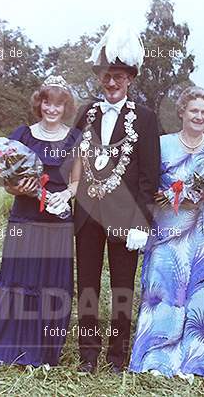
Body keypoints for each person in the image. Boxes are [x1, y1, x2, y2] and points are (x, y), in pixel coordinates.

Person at [72, 23, 161, 374]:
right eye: (107, 76)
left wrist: (142, 221)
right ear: (99, 77)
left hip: (126, 219)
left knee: (122, 288)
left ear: (130, 79)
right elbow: (72, 158)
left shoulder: (146, 118)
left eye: (119, 77)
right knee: (88, 285)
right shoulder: (87, 113)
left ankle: (117, 355)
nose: (112, 83)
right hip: (88, 215)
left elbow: (149, 175)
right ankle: (88, 354)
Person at [129, 86, 204, 381]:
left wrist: (201, 197)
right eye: (194, 111)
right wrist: (168, 196)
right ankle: (156, 359)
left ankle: (193, 363)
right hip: (168, 232)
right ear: (182, 112)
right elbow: (146, 184)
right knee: (163, 292)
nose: (199, 116)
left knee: (201, 295)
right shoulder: (161, 144)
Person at [0, 75, 80, 367]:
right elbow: (6, 180)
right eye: (47, 102)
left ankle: (44, 350)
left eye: (59, 104)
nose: (52, 109)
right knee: (19, 278)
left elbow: (76, 181)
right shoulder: (21, 135)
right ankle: (10, 345)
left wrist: (66, 196)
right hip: (25, 217)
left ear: (65, 107)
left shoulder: (75, 138)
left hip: (57, 221)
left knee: (50, 283)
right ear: (39, 103)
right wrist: (17, 188)